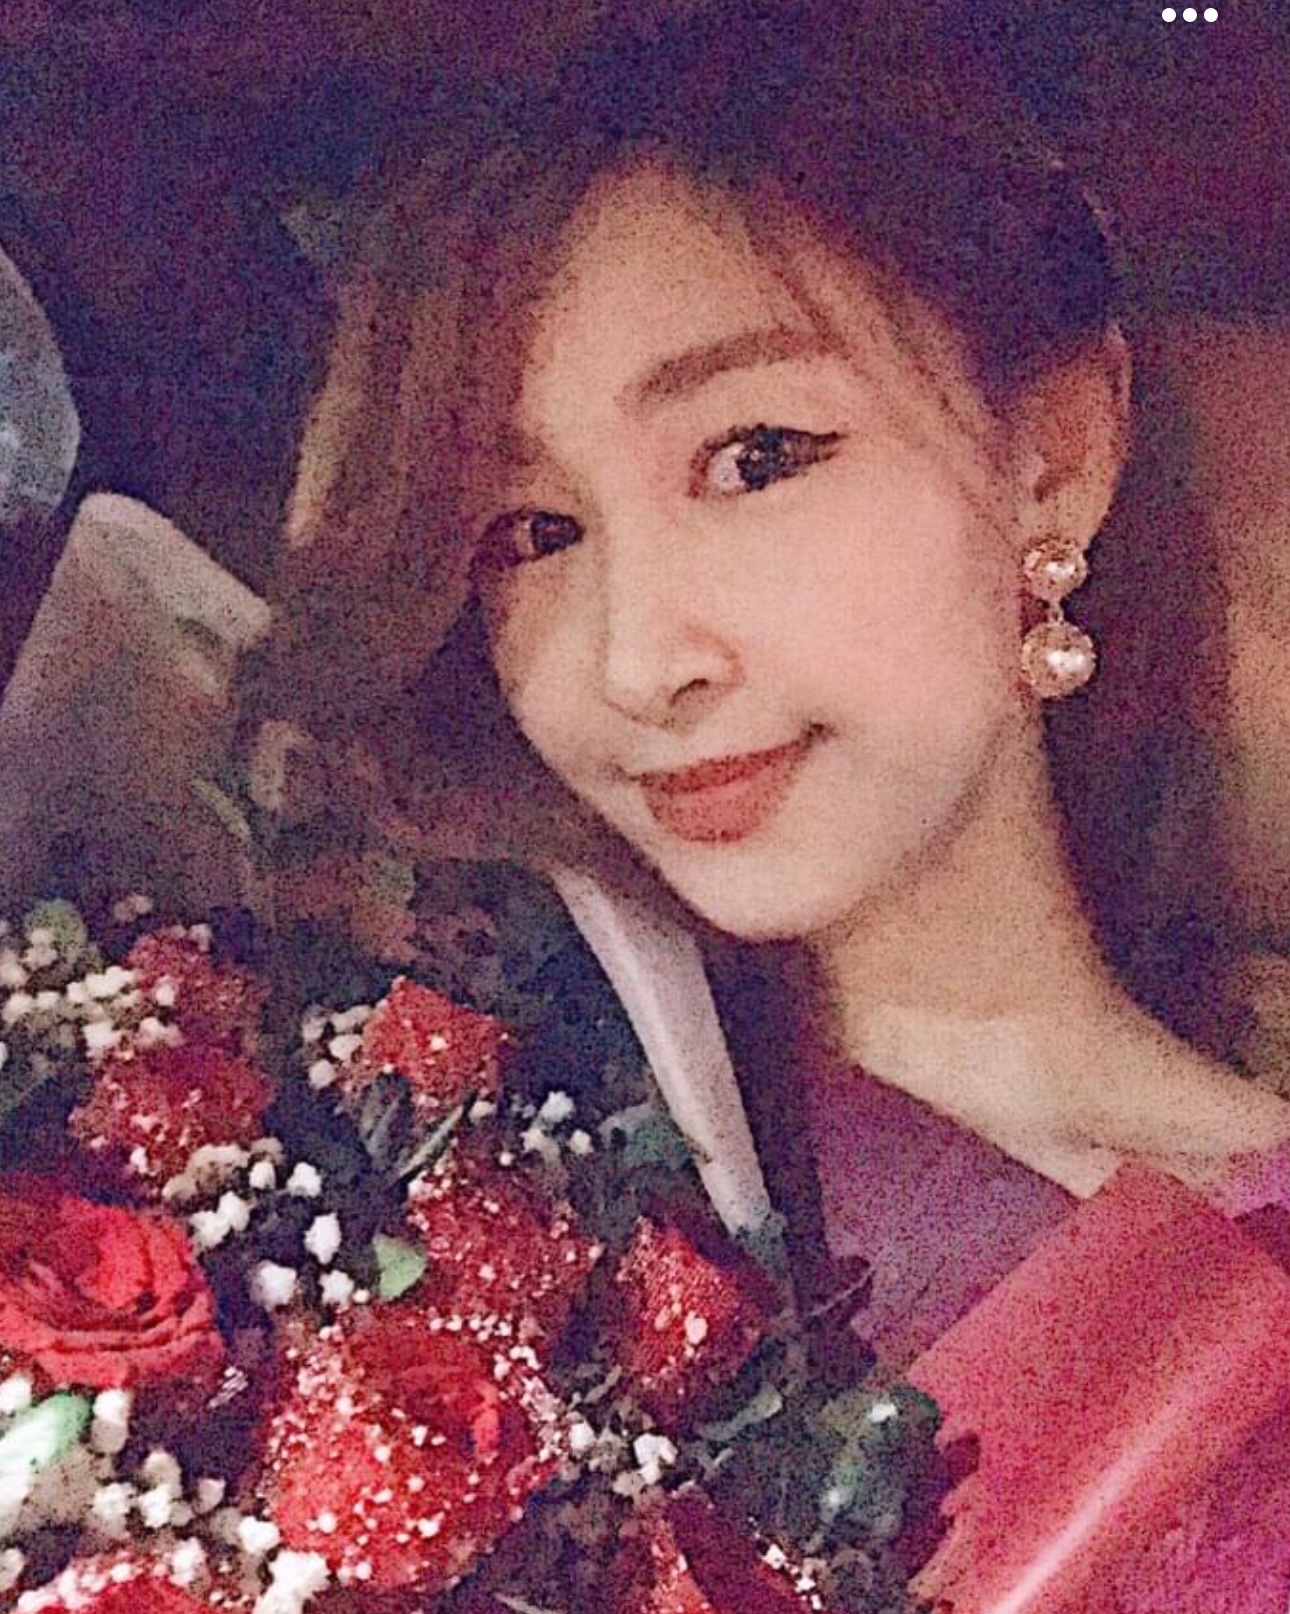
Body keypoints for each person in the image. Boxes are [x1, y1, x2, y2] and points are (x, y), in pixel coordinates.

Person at [259, 0, 1290, 1372]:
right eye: (532, 533)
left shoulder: (1249, 1292)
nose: (639, 665)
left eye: (756, 459)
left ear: (1051, 456)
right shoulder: (426, 1114)